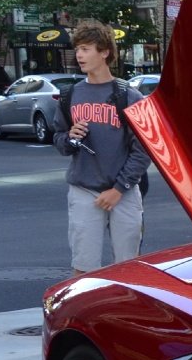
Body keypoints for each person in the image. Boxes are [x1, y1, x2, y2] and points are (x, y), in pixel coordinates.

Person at [56, 20, 152, 276]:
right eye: (78, 49)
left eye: (86, 49)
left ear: (104, 52)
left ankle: (125, 314)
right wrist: (68, 137)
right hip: (83, 190)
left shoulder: (128, 96)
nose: (79, 55)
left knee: (129, 268)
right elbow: (59, 139)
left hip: (124, 192)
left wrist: (119, 189)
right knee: (83, 269)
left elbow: (143, 149)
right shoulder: (70, 95)